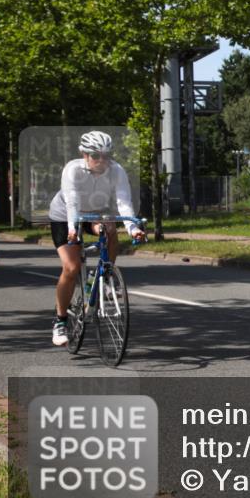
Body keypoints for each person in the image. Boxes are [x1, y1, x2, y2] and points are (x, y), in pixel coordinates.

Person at [48, 131, 144, 346]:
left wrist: (132, 228)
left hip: (94, 212)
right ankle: (60, 321)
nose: (101, 160)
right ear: (84, 153)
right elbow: (72, 203)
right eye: (95, 155)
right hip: (65, 216)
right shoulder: (72, 169)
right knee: (71, 268)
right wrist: (73, 229)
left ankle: (106, 275)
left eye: (106, 155)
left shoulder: (116, 170)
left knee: (110, 228)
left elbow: (123, 202)